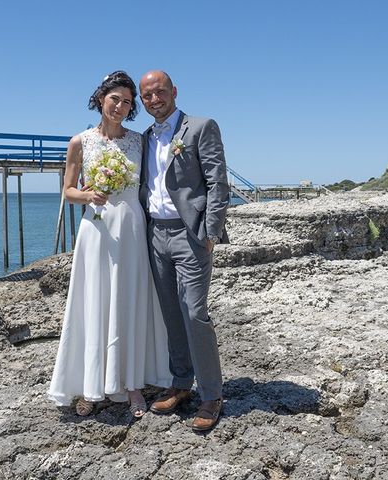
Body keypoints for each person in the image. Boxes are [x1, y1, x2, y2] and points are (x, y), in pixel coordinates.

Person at [48, 71, 171, 418]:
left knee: (129, 303)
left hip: (132, 228)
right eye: (115, 98)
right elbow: (68, 190)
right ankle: (91, 385)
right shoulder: (79, 142)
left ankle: (132, 385)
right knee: (94, 303)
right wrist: (88, 194)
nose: (120, 106)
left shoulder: (139, 141)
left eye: (128, 102)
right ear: (101, 99)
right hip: (97, 230)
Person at [138, 70, 230, 432]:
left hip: (190, 234)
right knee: (170, 313)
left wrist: (210, 232)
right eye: (147, 96)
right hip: (155, 233)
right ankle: (180, 383)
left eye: (159, 92)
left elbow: (217, 181)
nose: (154, 99)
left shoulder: (200, 126)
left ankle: (212, 394)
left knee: (194, 312)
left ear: (174, 91)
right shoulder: (145, 137)